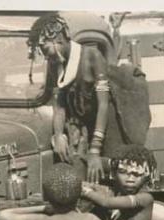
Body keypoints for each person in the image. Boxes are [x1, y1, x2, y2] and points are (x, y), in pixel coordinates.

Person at [27, 13, 110, 182]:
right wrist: (58, 135)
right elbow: (59, 106)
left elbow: (103, 105)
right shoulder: (54, 64)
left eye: (46, 50)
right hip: (79, 129)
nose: (47, 56)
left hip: (104, 126)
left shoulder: (92, 56)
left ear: (58, 39)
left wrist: (95, 150)